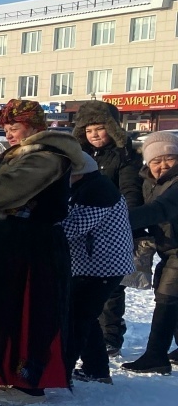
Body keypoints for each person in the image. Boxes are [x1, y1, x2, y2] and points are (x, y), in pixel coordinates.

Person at [0, 98, 81, 405]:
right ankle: (5, 371)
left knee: (27, 312)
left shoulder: (48, 155)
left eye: (15, 127)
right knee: (2, 308)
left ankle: (29, 383)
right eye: (7, 128)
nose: (9, 133)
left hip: (31, 249)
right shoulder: (25, 151)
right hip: (9, 244)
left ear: (35, 126)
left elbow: (8, 188)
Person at [73, 101, 143, 356]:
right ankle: (92, 338)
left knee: (112, 289)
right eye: (89, 130)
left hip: (113, 228)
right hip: (85, 229)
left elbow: (130, 191)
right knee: (86, 289)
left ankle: (111, 335)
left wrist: (130, 223)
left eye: (100, 128)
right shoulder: (79, 156)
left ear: (112, 129)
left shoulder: (124, 156)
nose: (94, 135)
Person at [60, 152, 135, 384]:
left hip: (102, 267)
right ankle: (97, 369)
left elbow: (73, 227)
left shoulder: (97, 191)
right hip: (94, 265)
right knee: (85, 317)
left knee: (78, 319)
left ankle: (65, 372)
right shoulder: (90, 186)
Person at [122, 132, 178, 375]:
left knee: (167, 299)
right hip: (168, 249)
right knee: (170, 298)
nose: (162, 165)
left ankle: (156, 356)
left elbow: (160, 209)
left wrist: (118, 220)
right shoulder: (150, 182)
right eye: (156, 161)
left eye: (169, 159)